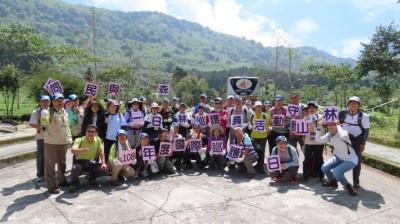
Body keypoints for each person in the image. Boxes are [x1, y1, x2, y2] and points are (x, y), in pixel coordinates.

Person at [311, 121, 358, 196]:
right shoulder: (329, 135)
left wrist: (338, 125)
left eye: (333, 124)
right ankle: (333, 182)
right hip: (338, 157)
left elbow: (343, 136)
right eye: (329, 125)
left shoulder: (343, 132)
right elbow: (318, 140)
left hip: (350, 159)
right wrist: (318, 129)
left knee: (336, 172)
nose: (330, 126)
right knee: (324, 167)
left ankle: (348, 186)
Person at [40, 93, 72, 194]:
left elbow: (67, 126)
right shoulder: (49, 111)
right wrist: (43, 117)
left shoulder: (65, 112)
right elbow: (44, 123)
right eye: (57, 100)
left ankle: (62, 180)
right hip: (51, 143)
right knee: (50, 165)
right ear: (53, 102)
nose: (60, 102)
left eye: (61, 100)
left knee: (62, 163)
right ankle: (51, 186)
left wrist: (69, 137)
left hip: (63, 142)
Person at [338, 96, 370, 189]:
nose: (353, 104)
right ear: (348, 104)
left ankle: (356, 181)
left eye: (355, 103)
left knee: (357, 161)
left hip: (357, 140)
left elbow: (366, 131)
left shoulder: (364, 116)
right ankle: (339, 176)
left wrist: (363, 143)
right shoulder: (342, 113)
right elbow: (336, 124)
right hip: (343, 139)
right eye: (351, 102)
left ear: (359, 105)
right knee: (340, 159)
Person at [69, 125, 109, 193]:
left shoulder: (98, 139)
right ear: (85, 132)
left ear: (96, 133)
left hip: (91, 162)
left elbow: (101, 152)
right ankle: (75, 183)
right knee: (75, 168)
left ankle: (90, 177)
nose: (90, 133)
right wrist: (82, 150)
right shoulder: (79, 140)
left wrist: (104, 163)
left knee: (105, 168)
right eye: (88, 131)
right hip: (80, 162)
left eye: (93, 131)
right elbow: (73, 150)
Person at [302, 101, 325, 183]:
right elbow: (303, 130)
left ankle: (322, 176)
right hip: (309, 142)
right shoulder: (305, 118)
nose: (311, 109)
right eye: (310, 107)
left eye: (313, 107)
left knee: (319, 158)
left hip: (319, 141)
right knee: (307, 159)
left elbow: (327, 125)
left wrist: (319, 125)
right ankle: (305, 176)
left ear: (316, 108)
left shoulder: (322, 117)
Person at [29, 95, 51, 183]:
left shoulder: (53, 111)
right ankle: (40, 175)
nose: (45, 103)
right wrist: (42, 127)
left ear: (50, 102)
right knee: (41, 156)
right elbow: (31, 124)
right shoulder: (36, 112)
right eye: (43, 101)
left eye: (47, 101)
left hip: (53, 137)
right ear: (40, 102)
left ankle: (50, 173)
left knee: (52, 156)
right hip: (41, 137)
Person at [248, 101, 269, 173]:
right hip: (254, 137)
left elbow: (268, 126)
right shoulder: (252, 115)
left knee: (261, 151)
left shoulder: (265, 116)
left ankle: (261, 167)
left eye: (260, 107)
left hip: (263, 137)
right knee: (255, 151)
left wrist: (265, 129)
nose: (258, 108)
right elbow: (250, 125)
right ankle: (257, 164)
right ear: (254, 108)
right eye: (257, 107)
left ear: (262, 108)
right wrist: (250, 126)